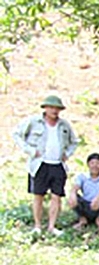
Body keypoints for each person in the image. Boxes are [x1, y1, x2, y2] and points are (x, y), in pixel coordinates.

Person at [12, 94, 80, 236]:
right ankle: (37, 225)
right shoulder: (34, 122)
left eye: (57, 108)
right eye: (51, 107)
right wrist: (30, 151)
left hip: (57, 164)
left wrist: (67, 154)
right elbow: (17, 134)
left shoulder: (64, 125)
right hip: (40, 164)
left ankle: (52, 226)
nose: (54, 111)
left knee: (57, 196)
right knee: (38, 195)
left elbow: (74, 141)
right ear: (45, 108)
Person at [68, 153, 99, 232]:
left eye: (98, 163)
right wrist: (72, 194)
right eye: (92, 163)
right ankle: (83, 219)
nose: (95, 166)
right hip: (87, 205)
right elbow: (76, 186)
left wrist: (97, 199)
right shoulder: (82, 177)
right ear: (88, 165)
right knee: (74, 197)